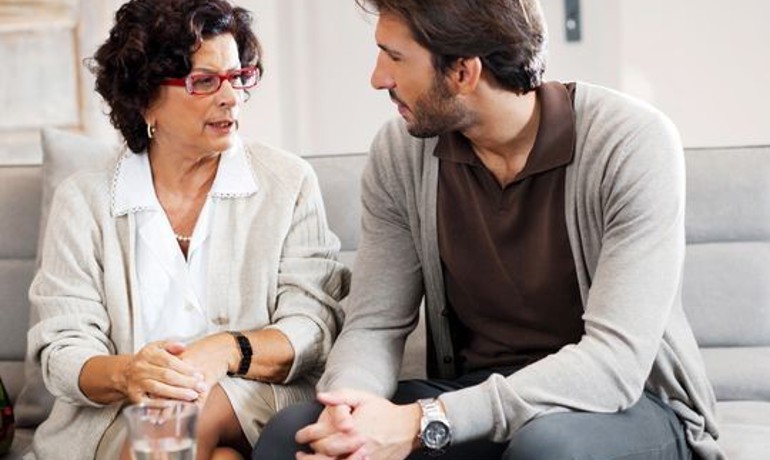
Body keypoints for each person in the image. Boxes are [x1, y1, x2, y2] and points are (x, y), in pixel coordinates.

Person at [252, 0, 726, 459]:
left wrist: (425, 422)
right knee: (294, 435)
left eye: (395, 57)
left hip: (620, 406)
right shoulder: (401, 153)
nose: (378, 78)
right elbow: (374, 323)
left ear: (463, 72)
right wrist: (347, 415)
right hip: (474, 396)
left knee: (548, 448)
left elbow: (614, 364)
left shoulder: (630, 142)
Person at [25, 0, 350, 459]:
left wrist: (224, 350)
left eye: (238, 77)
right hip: (118, 417)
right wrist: (130, 374)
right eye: (204, 81)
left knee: (181, 416)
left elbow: (312, 325)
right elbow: (62, 349)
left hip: (247, 400)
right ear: (144, 98)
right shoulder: (84, 200)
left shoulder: (287, 182)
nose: (231, 96)